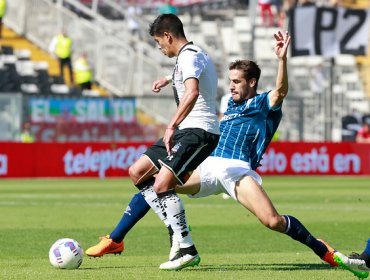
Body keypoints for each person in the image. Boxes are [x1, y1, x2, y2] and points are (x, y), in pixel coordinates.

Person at [85, 30, 368, 278]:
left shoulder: (263, 102)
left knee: (273, 221)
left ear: (252, 82)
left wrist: (282, 60)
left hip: (237, 171)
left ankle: (326, 253)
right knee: (157, 182)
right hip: (208, 166)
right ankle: (118, 237)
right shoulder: (227, 102)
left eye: (237, 81)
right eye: (230, 80)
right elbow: (200, 85)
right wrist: (169, 79)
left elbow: (281, 90)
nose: (231, 85)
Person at [87, 14, 220, 271]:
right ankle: (176, 230)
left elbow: (192, 92)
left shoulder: (189, 55)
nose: (160, 48)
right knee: (137, 172)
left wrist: (170, 125)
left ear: (168, 36)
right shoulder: (192, 54)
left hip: (199, 131)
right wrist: (169, 79)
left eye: (159, 43)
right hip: (186, 130)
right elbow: (193, 75)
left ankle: (187, 248)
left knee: (162, 184)